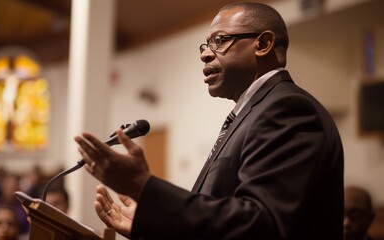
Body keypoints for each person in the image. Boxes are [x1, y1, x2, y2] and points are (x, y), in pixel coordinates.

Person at [74, 2, 344, 239]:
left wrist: (145, 188)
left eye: (220, 40)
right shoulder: (253, 112)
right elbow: (225, 221)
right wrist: (154, 226)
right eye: (205, 45)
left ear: (262, 44)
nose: (205, 53)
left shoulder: (287, 108)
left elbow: (261, 225)